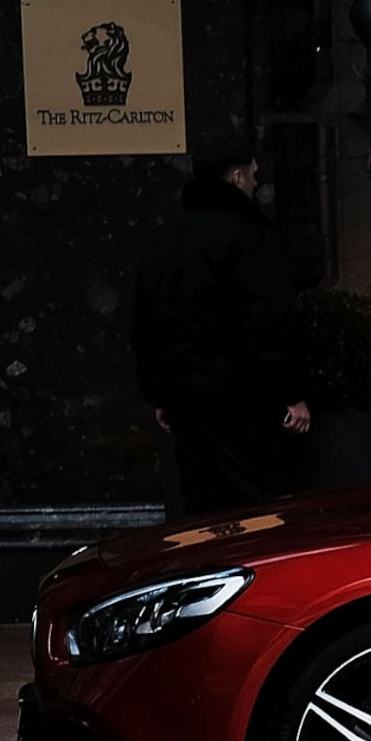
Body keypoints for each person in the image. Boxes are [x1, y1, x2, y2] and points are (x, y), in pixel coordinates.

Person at [131, 139, 310, 516]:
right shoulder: (251, 237)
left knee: (200, 511)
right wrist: (290, 392)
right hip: (241, 400)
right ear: (237, 176)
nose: (257, 185)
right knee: (256, 510)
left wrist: (160, 394)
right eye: (254, 176)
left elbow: (147, 324)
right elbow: (267, 321)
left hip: (184, 401)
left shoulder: (162, 241)